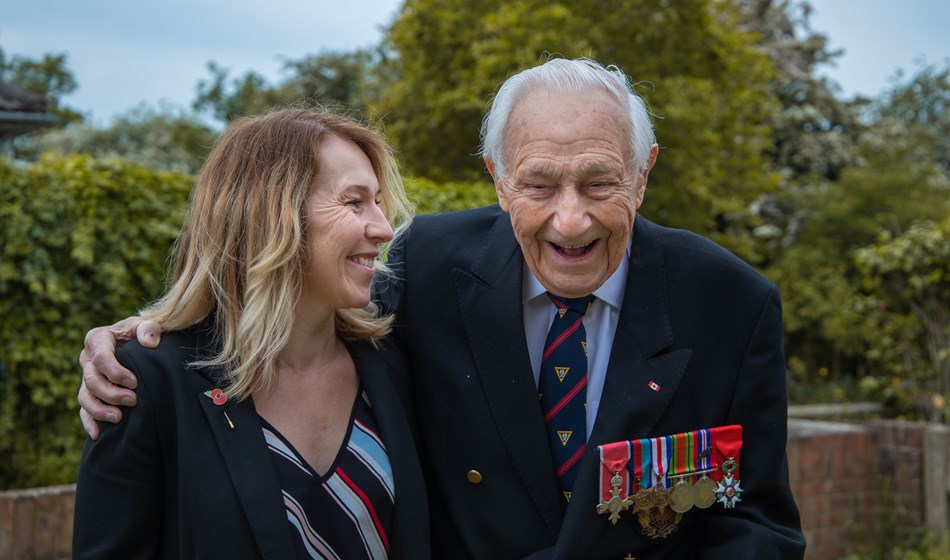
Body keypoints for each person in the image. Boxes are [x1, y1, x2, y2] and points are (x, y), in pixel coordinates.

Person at [78, 58, 805, 558]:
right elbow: (291, 299)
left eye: (600, 182)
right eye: (541, 184)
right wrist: (140, 333)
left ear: (643, 174)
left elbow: (758, 523)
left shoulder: (730, 304)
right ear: (495, 178)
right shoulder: (429, 267)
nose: (571, 220)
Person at [72, 108, 430, 559]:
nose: (382, 227)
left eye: (378, 201)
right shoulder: (145, 382)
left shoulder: (393, 362)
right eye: (354, 202)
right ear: (270, 215)